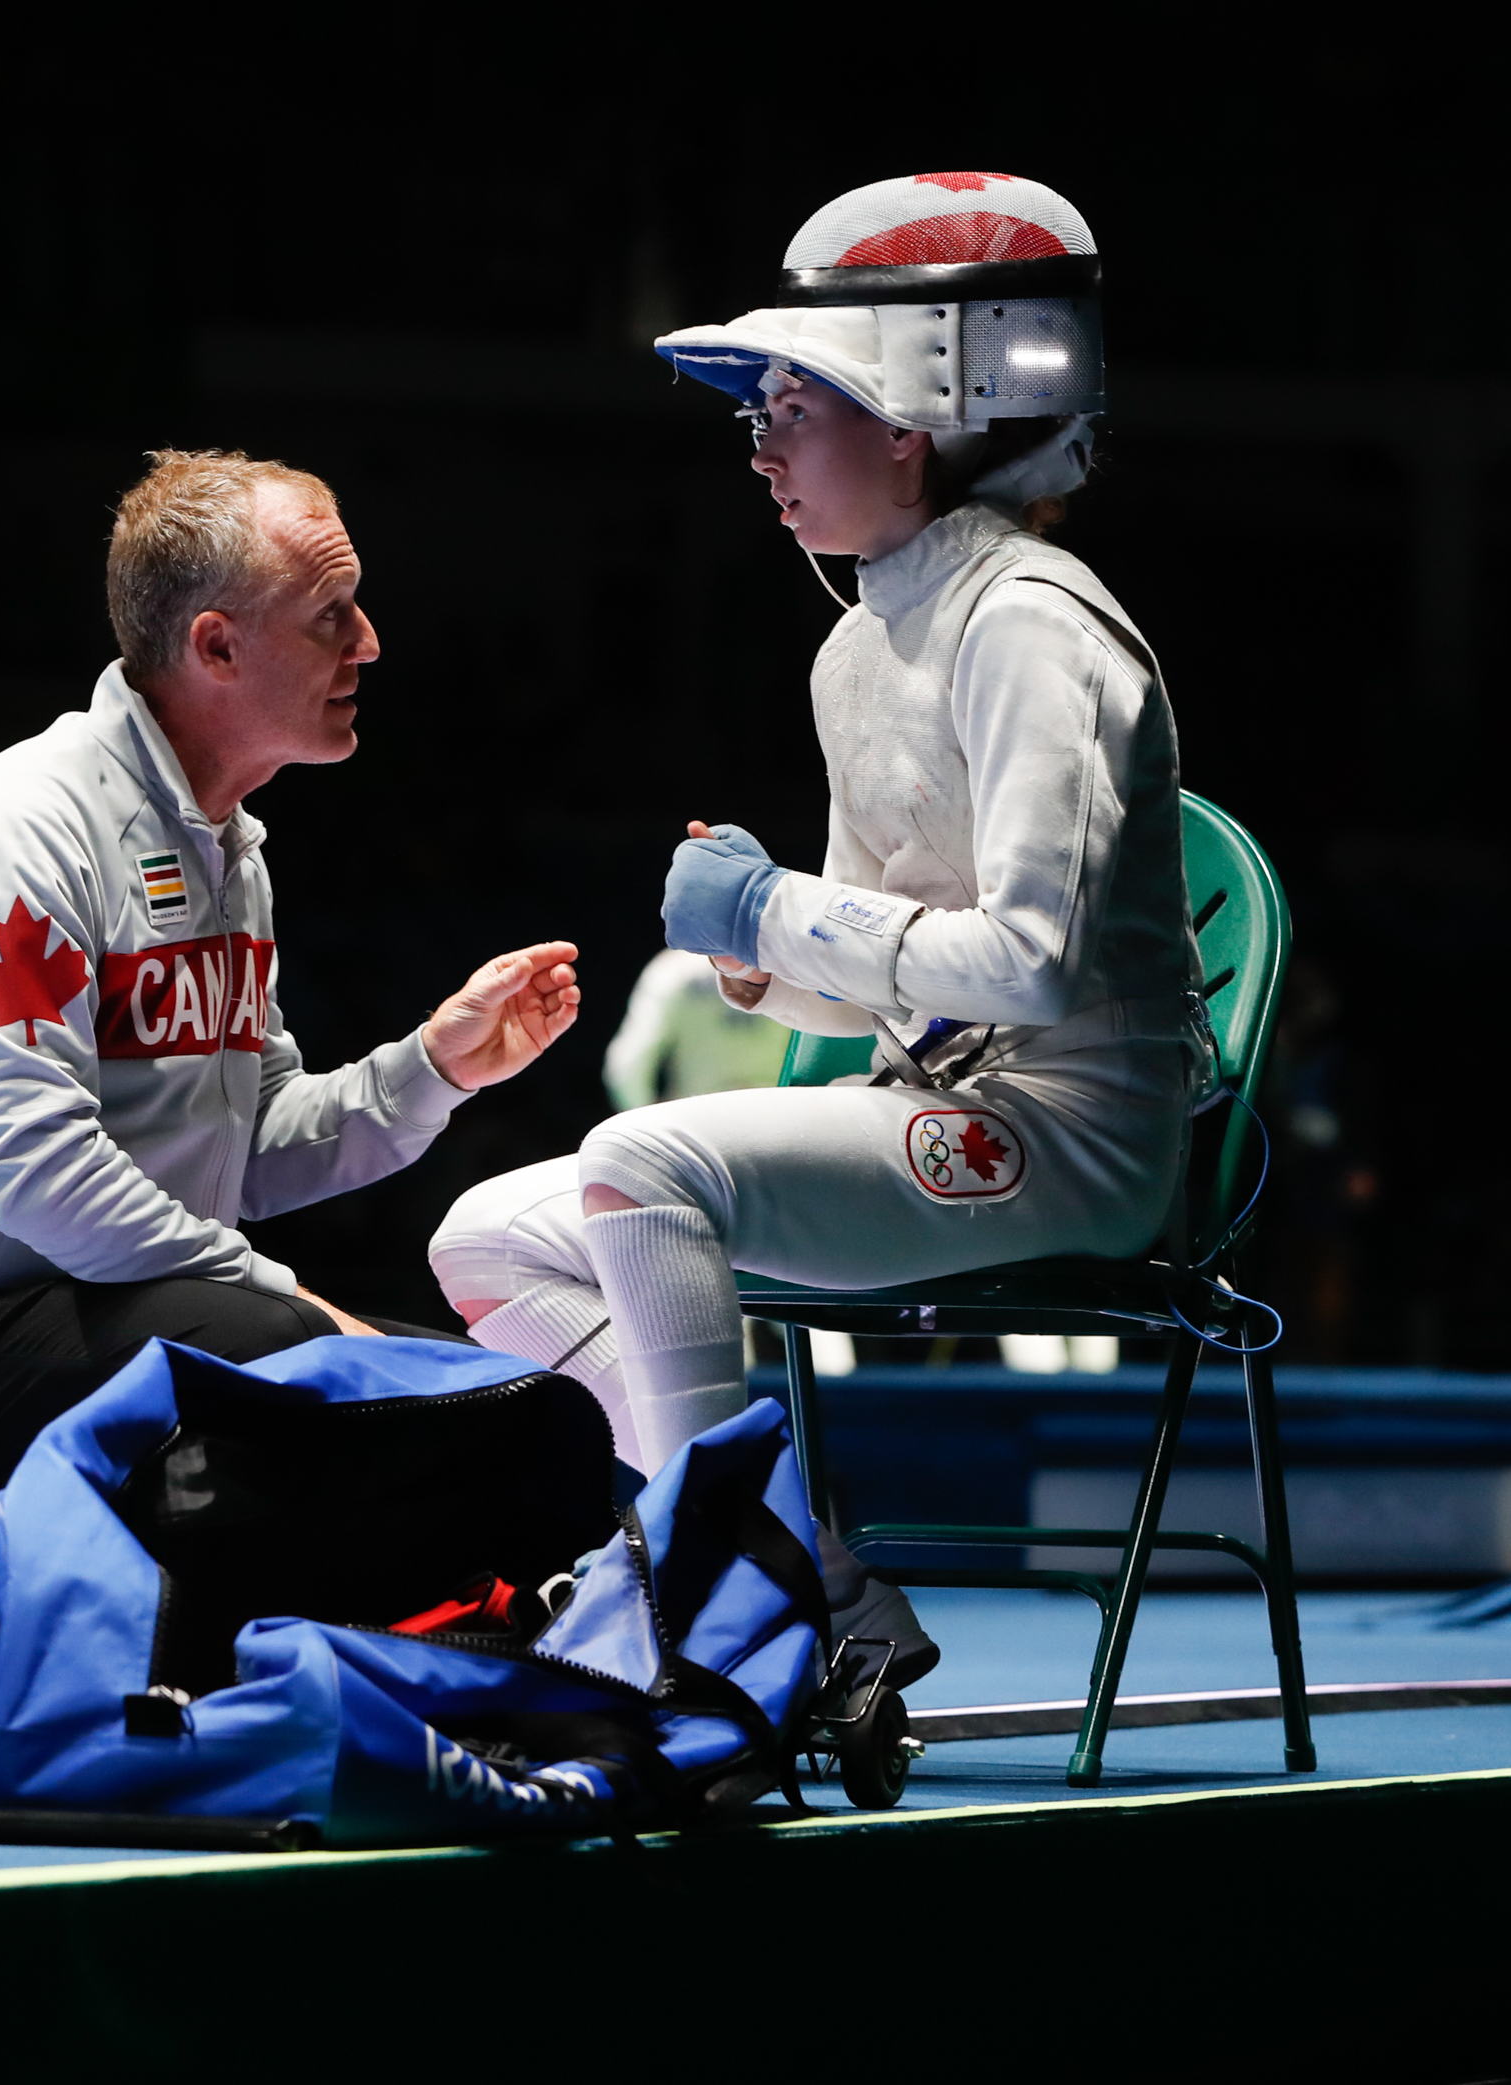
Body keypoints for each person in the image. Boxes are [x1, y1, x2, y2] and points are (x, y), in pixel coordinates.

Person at [426, 174, 1208, 1687]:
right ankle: (801, 1563)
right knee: (481, 1241)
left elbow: (1034, 959)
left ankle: (731, 1575)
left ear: (910, 422)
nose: (763, 442)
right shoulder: (860, 646)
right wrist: (765, 960)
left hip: (1078, 1134)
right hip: (931, 1100)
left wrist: (786, 906)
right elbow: (864, 997)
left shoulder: (1034, 621)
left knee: (646, 1163)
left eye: (796, 402)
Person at [0, 450, 583, 1737]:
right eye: (331, 614)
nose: (369, 643)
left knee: (440, 1389)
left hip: (94, 1325)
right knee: (290, 1357)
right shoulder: (26, 830)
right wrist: (281, 1303)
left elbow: (250, 1152)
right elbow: (42, 1181)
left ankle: (156, 1616)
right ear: (214, 645)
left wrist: (434, 1068)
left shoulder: (228, 853)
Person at [600, 948, 793, 1112]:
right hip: (779, 1118)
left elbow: (628, 1063)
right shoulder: (788, 962)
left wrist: (647, 1124)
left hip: (697, 1122)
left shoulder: (672, 970)